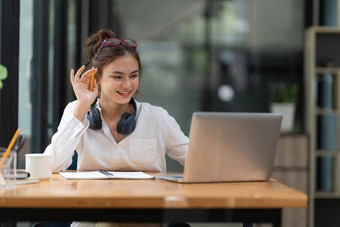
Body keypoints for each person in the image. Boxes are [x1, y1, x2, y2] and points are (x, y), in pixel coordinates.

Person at [43, 28, 190, 227]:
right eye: (117, 77)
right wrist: (82, 107)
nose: (127, 84)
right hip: (91, 217)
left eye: (133, 75)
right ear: (97, 79)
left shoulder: (157, 117)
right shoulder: (77, 110)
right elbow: (50, 166)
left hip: (145, 217)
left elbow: (195, 162)